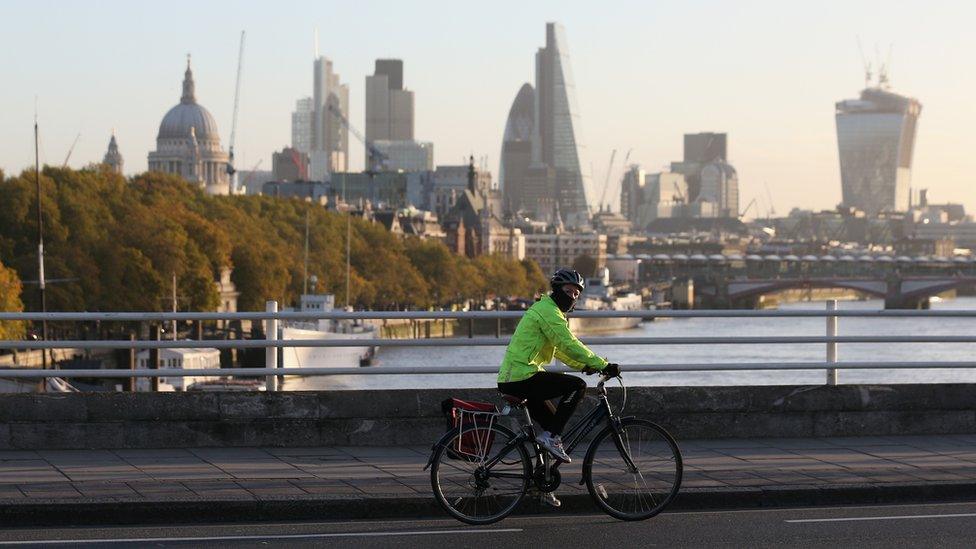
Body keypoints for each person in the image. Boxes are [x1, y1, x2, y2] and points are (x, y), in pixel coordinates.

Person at [497, 268, 621, 469]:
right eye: (569, 291)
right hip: (520, 378)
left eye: (576, 294)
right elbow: (568, 344)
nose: (572, 296)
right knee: (577, 387)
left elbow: (559, 350)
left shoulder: (546, 309)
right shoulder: (548, 311)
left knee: (551, 425)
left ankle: (541, 485)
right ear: (556, 289)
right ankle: (552, 438)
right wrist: (603, 364)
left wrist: (584, 365)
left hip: (517, 378)